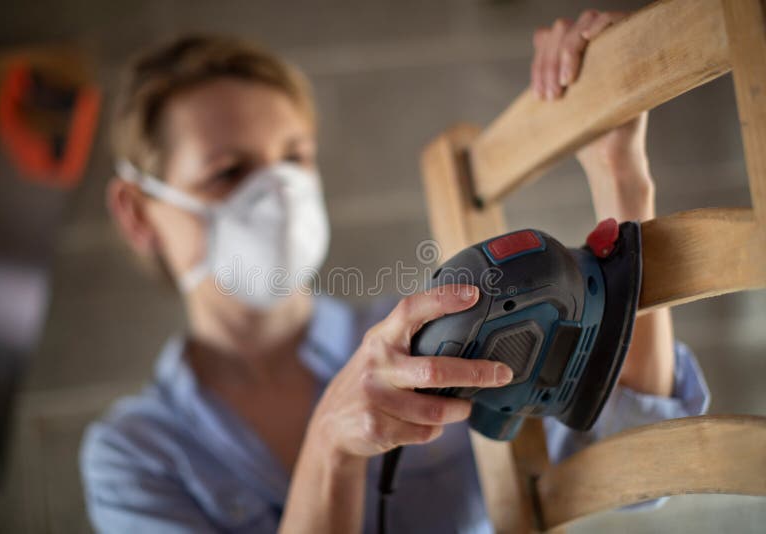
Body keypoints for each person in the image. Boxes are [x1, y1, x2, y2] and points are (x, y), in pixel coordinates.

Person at [80, 10, 710, 533]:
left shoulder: (433, 335)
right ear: (137, 212)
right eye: (229, 172)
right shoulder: (135, 455)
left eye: (294, 160)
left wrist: (618, 172)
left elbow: (633, 466)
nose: (276, 196)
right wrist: (331, 443)